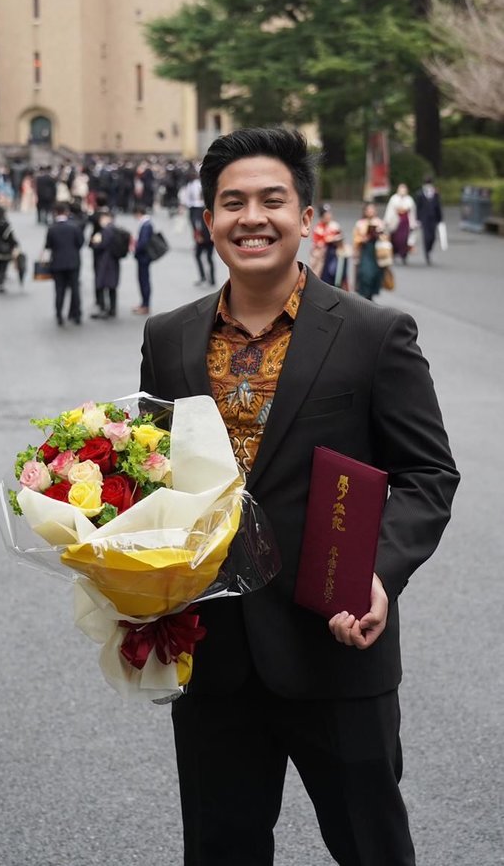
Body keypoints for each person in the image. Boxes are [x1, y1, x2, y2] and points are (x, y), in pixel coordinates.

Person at [138, 126, 458, 866]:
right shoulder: (170, 337)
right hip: (213, 655)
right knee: (222, 849)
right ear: (208, 221)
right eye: (232, 202)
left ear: (306, 213)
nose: (252, 216)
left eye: (271, 199)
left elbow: (427, 473)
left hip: (337, 642)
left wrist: (378, 572)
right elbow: (151, 474)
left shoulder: (375, 333)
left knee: (371, 845)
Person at [44, 202, 84, 325]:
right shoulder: (75, 227)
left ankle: (59, 314)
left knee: (59, 290)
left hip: (57, 263)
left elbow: (48, 245)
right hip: (73, 261)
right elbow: (80, 243)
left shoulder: (52, 228)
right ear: (66, 212)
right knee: (75, 289)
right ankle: (76, 314)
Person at [89, 208, 120, 319]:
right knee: (112, 286)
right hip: (113, 262)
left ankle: (104, 308)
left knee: (102, 284)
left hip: (106, 262)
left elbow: (101, 246)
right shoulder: (114, 229)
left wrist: (95, 242)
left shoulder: (106, 231)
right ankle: (112, 308)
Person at [352, 200, 385, 300]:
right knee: (366, 274)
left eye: (372, 209)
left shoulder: (379, 222)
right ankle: (365, 295)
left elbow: (386, 237)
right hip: (364, 251)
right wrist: (363, 239)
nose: (371, 211)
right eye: (369, 210)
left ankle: (371, 295)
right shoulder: (360, 223)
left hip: (376, 251)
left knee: (376, 274)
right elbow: (356, 239)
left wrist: (379, 235)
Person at [309, 202, 345, 286]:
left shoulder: (335, 226)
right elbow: (317, 243)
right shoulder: (318, 228)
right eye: (326, 215)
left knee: (335, 276)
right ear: (322, 216)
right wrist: (329, 240)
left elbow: (341, 239)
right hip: (322, 257)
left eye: (329, 214)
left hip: (334, 254)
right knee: (322, 278)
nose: (328, 216)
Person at [384, 183, 417, 264]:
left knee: (404, 239)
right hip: (396, 221)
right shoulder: (394, 198)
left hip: (405, 222)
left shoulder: (409, 199)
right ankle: (394, 252)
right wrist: (387, 220)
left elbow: (412, 212)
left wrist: (413, 223)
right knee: (395, 238)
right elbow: (390, 210)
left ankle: (404, 254)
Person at [414, 174, 443, 265]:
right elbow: (418, 207)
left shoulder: (435, 193)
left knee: (433, 236)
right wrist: (417, 218)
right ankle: (427, 253)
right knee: (426, 236)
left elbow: (438, 206)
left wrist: (440, 218)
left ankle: (429, 249)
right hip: (424, 218)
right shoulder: (420, 193)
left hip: (433, 217)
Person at [132, 204, 154, 315]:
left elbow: (143, 242)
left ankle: (145, 305)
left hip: (144, 257)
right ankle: (143, 303)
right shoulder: (146, 224)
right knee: (142, 280)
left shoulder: (145, 225)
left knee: (144, 280)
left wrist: (135, 248)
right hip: (144, 257)